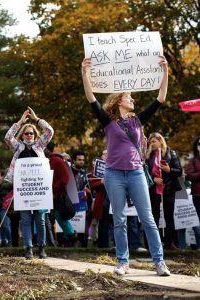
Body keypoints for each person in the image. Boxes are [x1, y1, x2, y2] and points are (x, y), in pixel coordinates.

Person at [81, 56, 171, 276]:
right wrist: (85, 73)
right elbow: (91, 97)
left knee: (147, 218)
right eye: (129, 97)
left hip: (135, 173)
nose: (132, 100)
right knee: (119, 219)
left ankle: (159, 262)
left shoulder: (137, 121)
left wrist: (165, 71)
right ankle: (123, 262)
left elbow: (160, 98)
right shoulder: (108, 122)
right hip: (113, 175)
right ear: (119, 100)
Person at [4, 107, 53, 259]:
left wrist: (36, 119)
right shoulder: (18, 147)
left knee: (41, 219)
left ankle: (42, 247)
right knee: (25, 220)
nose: (29, 135)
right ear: (23, 135)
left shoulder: (40, 146)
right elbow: (7, 137)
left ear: (35, 134)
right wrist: (20, 122)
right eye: (26, 133)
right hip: (23, 189)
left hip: (39, 190)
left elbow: (50, 131)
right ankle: (28, 248)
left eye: (31, 133)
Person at [146, 132, 182, 250]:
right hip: (154, 189)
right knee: (154, 216)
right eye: (150, 142)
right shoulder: (148, 156)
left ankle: (170, 242)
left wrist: (168, 169)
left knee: (169, 216)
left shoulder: (171, 153)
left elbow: (179, 171)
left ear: (160, 141)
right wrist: (153, 179)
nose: (152, 144)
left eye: (154, 141)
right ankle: (154, 243)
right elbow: (144, 173)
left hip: (168, 189)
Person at [181, 136, 200, 250]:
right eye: (199, 144)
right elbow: (190, 175)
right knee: (198, 221)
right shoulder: (192, 160)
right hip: (197, 194)